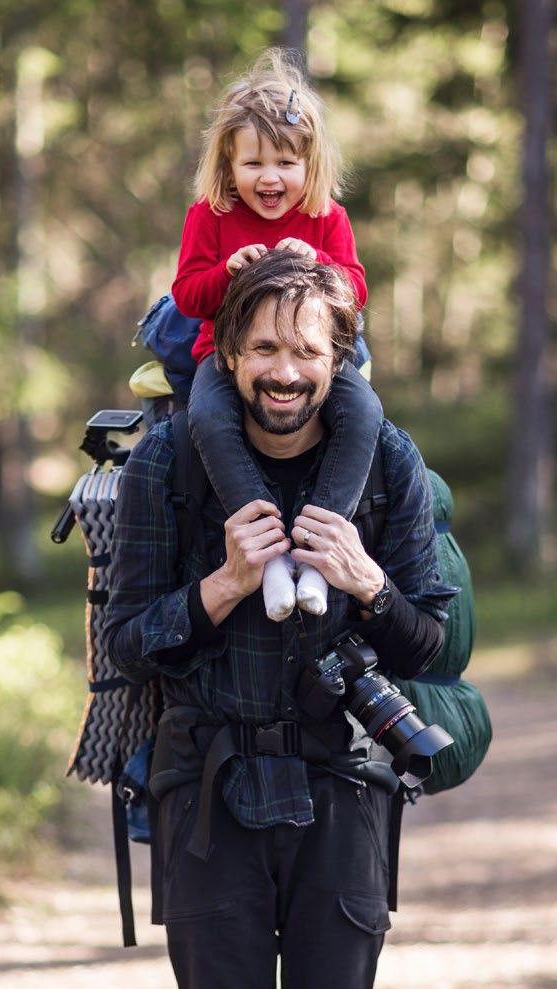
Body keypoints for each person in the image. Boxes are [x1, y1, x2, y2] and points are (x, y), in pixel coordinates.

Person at [105, 252, 453, 989]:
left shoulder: (386, 462)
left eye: (305, 351)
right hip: (207, 799)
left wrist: (365, 582)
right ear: (226, 354)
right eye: (262, 349)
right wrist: (222, 585)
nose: (284, 372)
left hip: (341, 789)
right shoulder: (165, 466)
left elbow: (429, 647)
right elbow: (126, 643)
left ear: (338, 359)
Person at [173, 49, 383, 622]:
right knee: (208, 419)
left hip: (318, 362)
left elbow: (356, 291)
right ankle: (266, 559)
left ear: (309, 166)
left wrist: (316, 262)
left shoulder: (326, 218)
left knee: (364, 414)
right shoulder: (210, 216)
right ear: (228, 164)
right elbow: (187, 295)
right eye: (254, 163)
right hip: (226, 357)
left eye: (287, 162)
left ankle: (316, 556)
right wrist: (228, 273)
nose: (270, 178)